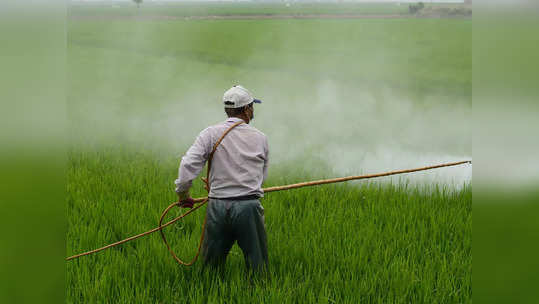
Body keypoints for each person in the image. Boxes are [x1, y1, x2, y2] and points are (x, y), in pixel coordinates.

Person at [175, 85, 269, 273]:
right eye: (252, 107)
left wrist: (183, 195)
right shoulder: (260, 138)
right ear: (247, 109)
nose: (253, 111)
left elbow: (187, 166)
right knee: (258, 266)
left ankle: (209, 292)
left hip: (217, 206)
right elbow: (261, 176)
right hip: (248, 206)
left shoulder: (210, 133)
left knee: (211, 269)